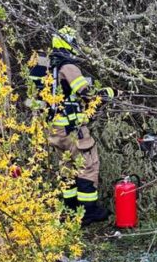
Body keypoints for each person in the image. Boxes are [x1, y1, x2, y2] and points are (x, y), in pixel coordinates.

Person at [29, 26, 110, 226]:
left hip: (52, 129)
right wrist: (108, 93)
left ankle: (70, 209)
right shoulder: (68, 67)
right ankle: (88, 212)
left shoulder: (41, 66)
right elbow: (87, 94)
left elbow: (34, 99)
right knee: (87, 166)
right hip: (72, 129)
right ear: (70, 43)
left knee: (66, 168)